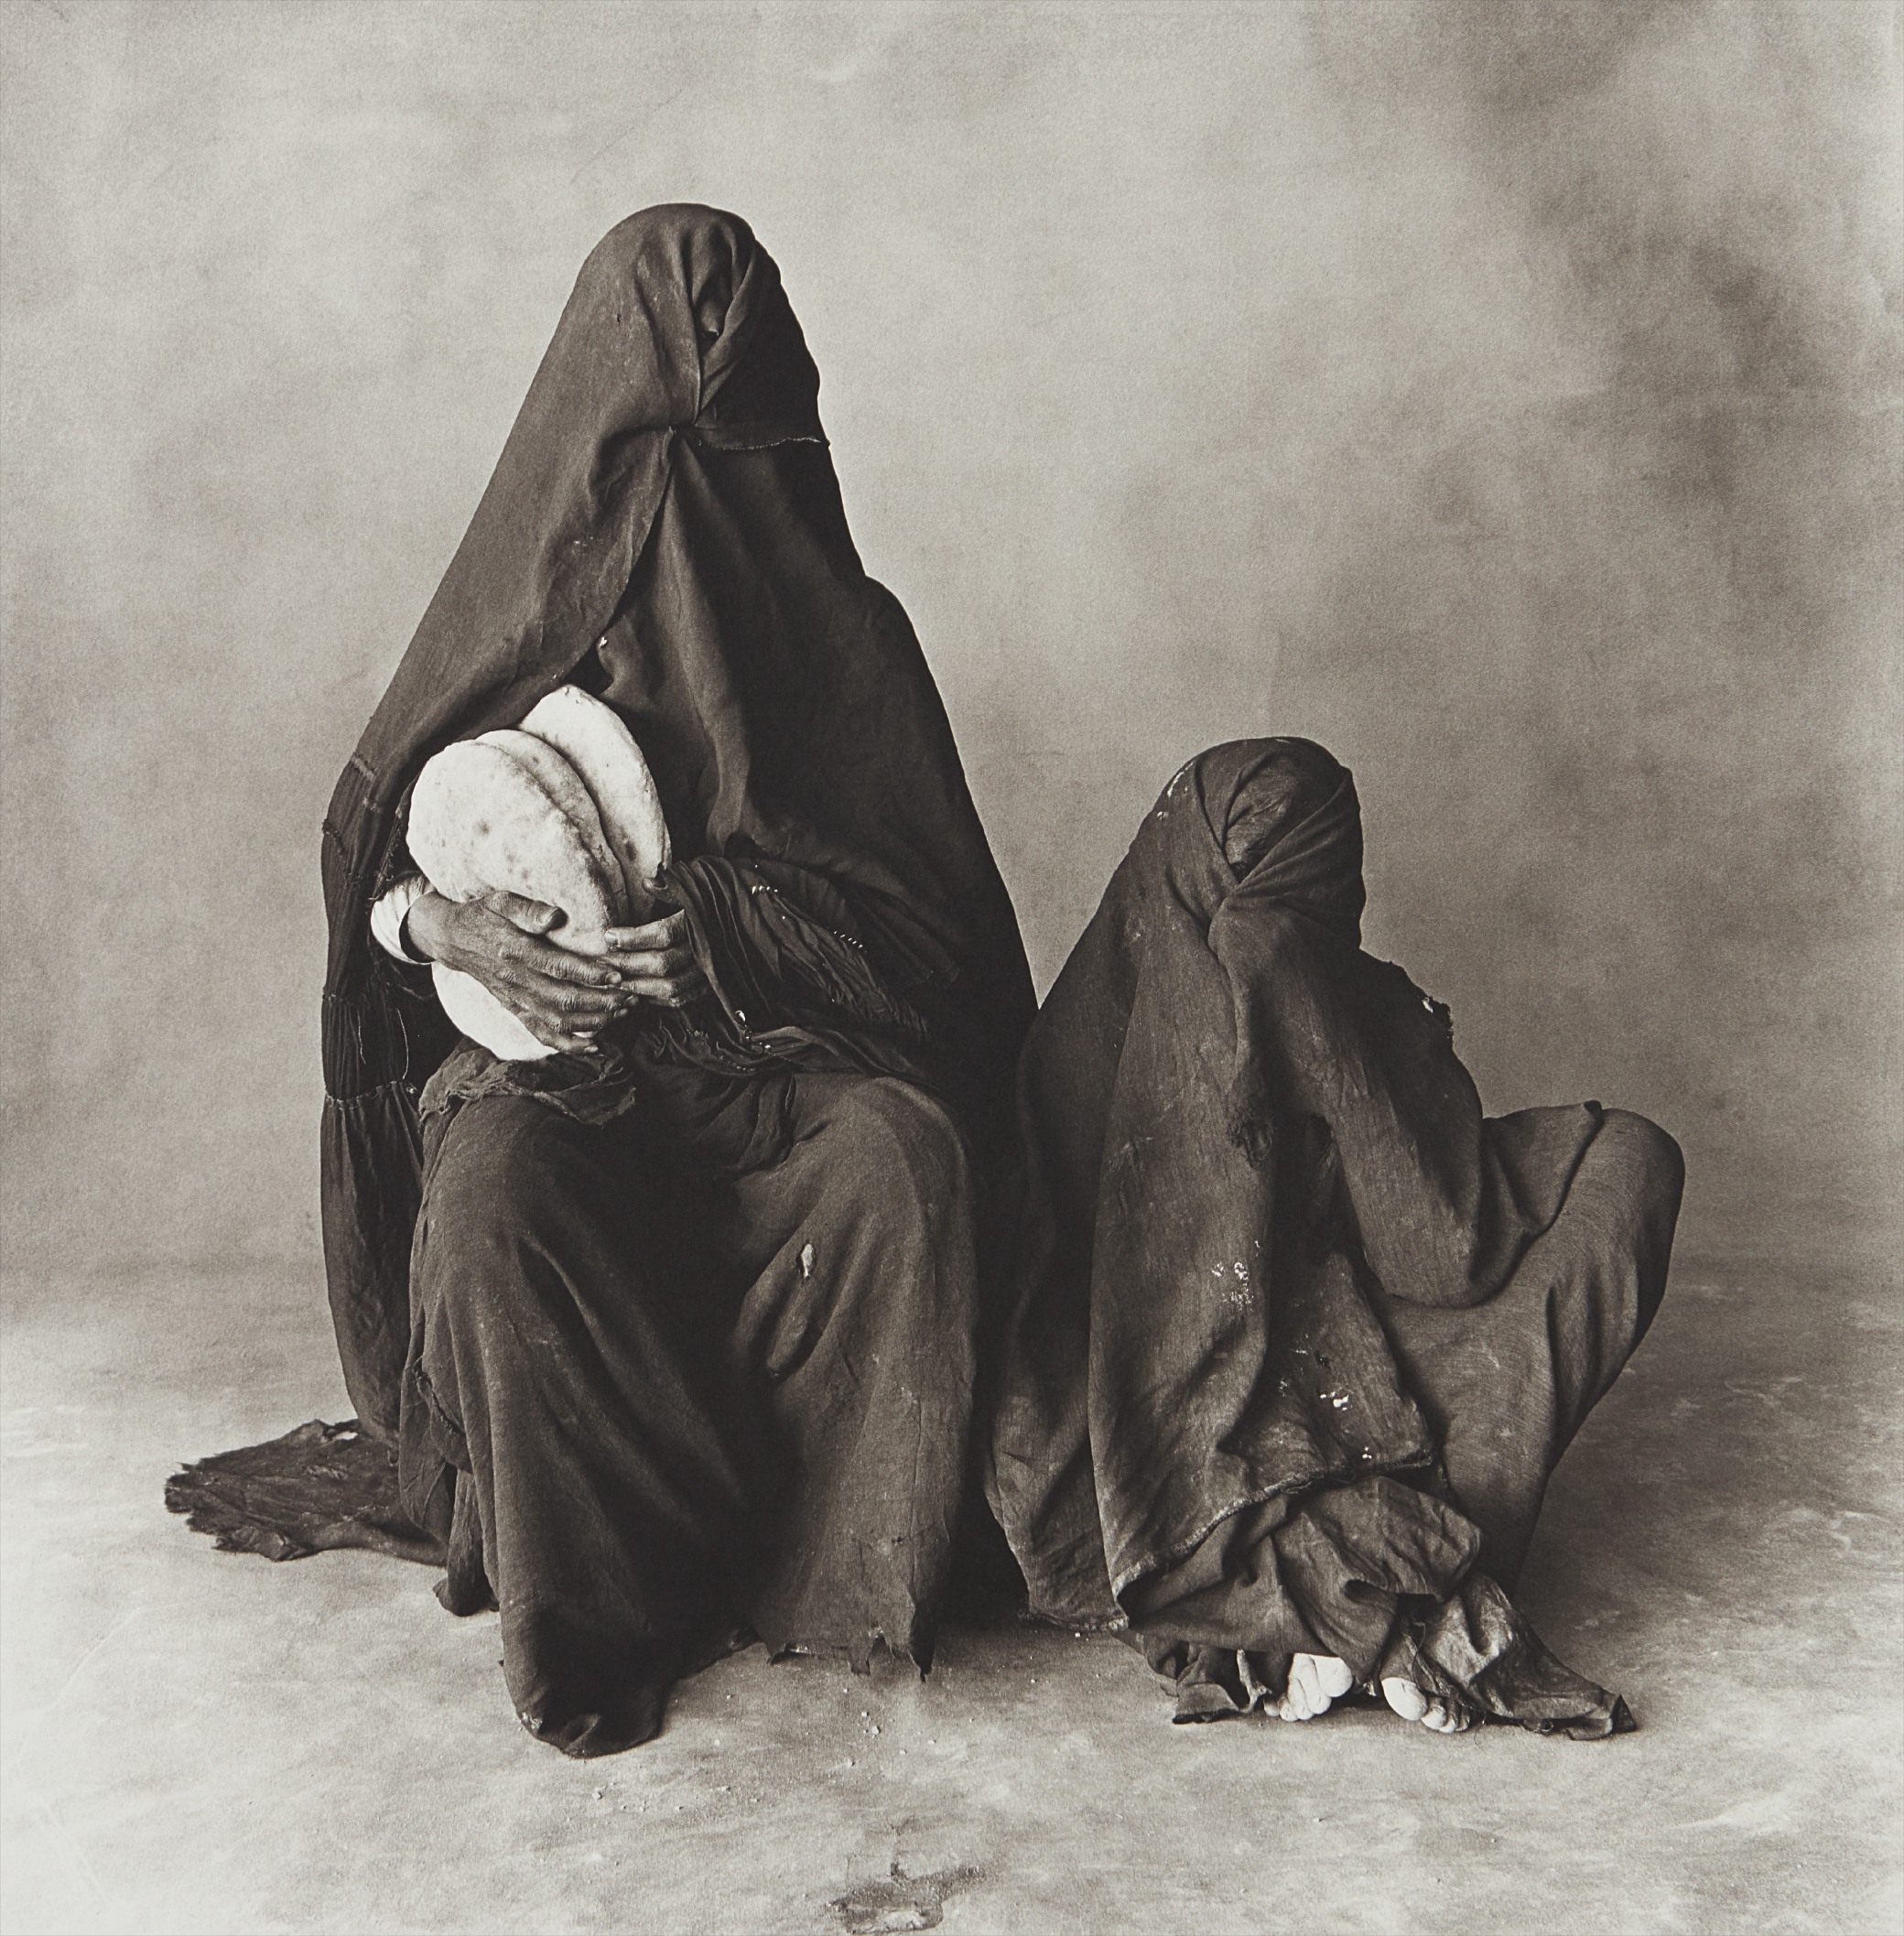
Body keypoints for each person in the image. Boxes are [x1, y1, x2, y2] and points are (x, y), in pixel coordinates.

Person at [317, 205, 1036, 1757]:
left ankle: (828, 1574)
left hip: (788, 1082)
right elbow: (368, 865)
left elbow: (943, 957)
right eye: (658, 450)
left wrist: (724, 930)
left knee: (908, 1163)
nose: (691, 514)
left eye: (733, 450)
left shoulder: (854, 645)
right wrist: (451, 933)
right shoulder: (512, 621)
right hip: (570, 1088)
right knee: (498, 1193)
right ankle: (592, 1602)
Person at [983, 739, 1683, 1736]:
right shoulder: (1135, 1034)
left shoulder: (1273, 974)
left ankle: (1340, 1611)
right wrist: (1289, 985)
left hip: (1319, 1375)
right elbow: (1444, 1253)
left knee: (1630, 1165)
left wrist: (1321, 1015)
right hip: (1146, 1485)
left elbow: (1429, 1249)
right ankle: (1374, 1603)